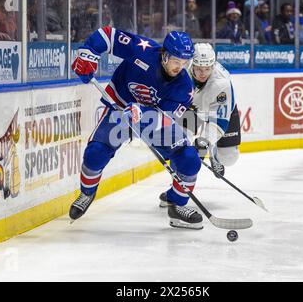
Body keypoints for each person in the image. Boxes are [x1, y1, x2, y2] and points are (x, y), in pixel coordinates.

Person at [70, 27, 205, 230]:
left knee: (189, 159)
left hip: (154, 121)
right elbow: (108, 35)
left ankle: (176, 205)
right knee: (95, 153)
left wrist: (142, 112)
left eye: (185, 62)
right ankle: (87, 193)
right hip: (120, 108)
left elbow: (167, 119)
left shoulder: (184, 86)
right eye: (177, 61)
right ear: (165, 55)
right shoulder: (143, 50)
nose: (180, 67)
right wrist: (88, 53)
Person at [159, 43, 241, 207]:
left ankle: (215, 152)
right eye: (198, 68)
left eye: (207, 69)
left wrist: (206, 140)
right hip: (192, 110)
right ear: (191, 64)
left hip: (220, 113)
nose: (203, 73)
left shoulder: (222, 82)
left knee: (229, 157)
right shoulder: (181, 73)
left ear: (213, 65)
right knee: (180, 149)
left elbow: (219, 121)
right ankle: (177, 189)